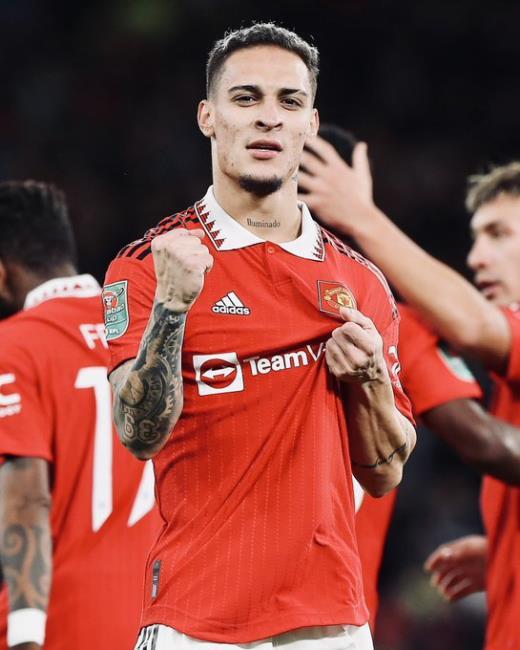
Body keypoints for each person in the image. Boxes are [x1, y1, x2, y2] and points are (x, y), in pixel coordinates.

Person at [103, 22, 416, 650]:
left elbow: (385, 474)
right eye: (246, 98)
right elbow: (138, 435)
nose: (268, 117)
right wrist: (172, 306)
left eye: (289, 102)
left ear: (310, 124)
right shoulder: (147, 267)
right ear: (208, 117)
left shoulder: (359, 282)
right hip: (198, 620)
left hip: (330, 622)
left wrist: (371, 381)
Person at [298, 137, 520, 649]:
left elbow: (472, 331)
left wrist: (362, 217)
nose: (475, 257)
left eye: (498, 234)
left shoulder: (396, 326)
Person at [0, 181, 158, 650]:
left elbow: (26, 500)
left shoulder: (15, 347)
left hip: (60, 624)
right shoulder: (152, 334)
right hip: (163, 624)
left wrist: (26, 636)